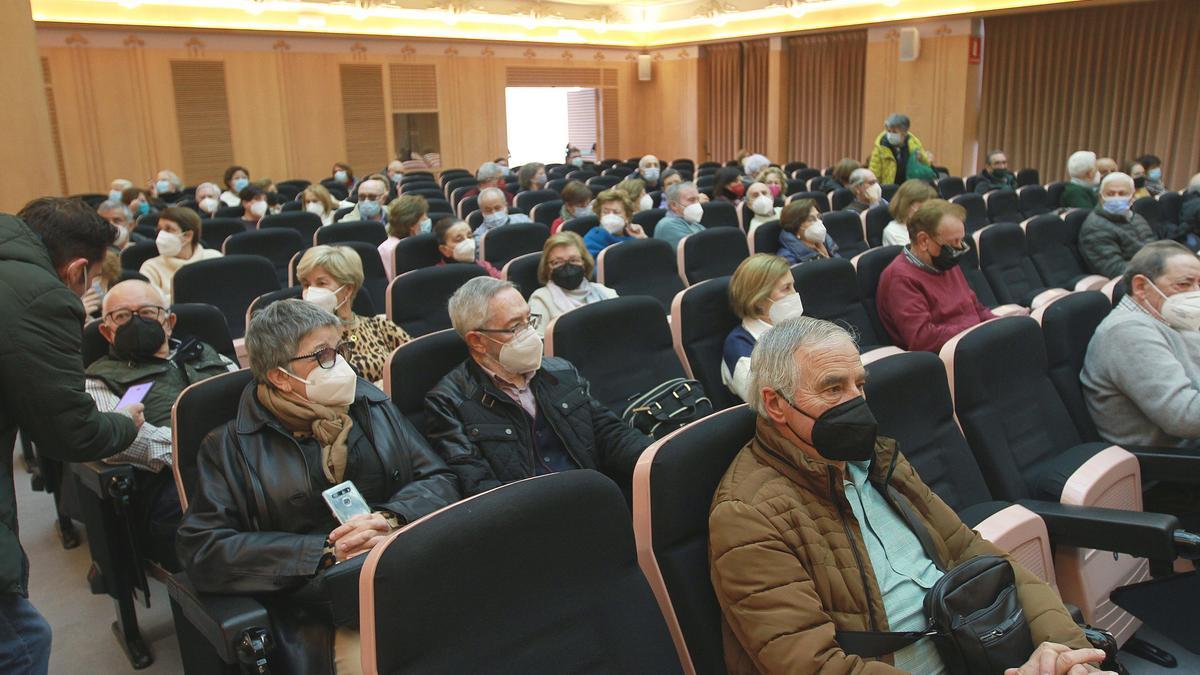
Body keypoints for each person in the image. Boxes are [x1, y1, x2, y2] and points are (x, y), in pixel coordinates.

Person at [708, 316, 1102, 675]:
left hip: (977, 649)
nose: (855, 402)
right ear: (776, 403)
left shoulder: (876, 457)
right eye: (833, 388)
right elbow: (813, 667)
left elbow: (971, 550)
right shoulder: (747, 513)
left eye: (859, 385)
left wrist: (1064, 650)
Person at [176, 299, 458, 675]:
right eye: (323, 356)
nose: (341, 364)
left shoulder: (370, 403)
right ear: (279, 376)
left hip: (402, 566)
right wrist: (324, 551)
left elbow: (439, 479)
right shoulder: (229, 446)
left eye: (340, 350)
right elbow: (204, 549)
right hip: (317, 603)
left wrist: (389, 517)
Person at [0, 198, 143, 674]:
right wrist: (128, 422)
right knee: (21, 643)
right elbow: (72, 435)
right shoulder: (41, 296)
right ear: (78, 269)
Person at [424, 277, 650, 497]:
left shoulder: (560, 370)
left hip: (593, 495)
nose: (530, 333)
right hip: (528, 517)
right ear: (478, 341)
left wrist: (655, 461)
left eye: (529, 320)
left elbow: (610, 434)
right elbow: (479, 487)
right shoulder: (448, 401)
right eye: (515, 327)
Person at [85, 280, 237, 563]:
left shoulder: (205, 352)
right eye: (122, 316)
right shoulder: (98, 379)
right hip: (174, 481)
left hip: (245, 457)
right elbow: (120, 441)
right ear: (106, 331)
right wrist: (203, 453)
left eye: (147, 313)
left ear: (168, 322)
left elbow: (247, 398)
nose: (136, 322)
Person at [1083, 241, 1200, 449]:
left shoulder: (1171, 316)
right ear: (1141, 287)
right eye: (1184, 284)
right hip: (1177, 462)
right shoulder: (1126, 331)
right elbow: (1184, 417)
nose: (1195, 293)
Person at [877, 199, 1006, 353]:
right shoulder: (900, 278)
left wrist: (1001, 324)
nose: (959, 248)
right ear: (924, 240)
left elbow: (975, 308)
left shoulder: (945, 262)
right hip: (946, 357)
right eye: (954, 242)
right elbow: (923, 339)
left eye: (961, 240)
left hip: (972, 343)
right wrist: (976, 328)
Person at [297, 245, 411, 384]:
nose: (311, 291)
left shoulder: (380, 325)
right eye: (306, 284)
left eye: (321, 283)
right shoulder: (303, 339)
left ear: (348, 289)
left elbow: (417, 360)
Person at [722, 254, 801, 401]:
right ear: (758, 300)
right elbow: (768, 403)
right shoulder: (739, 347)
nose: (794, 294)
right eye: (786, 288)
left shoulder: (795, 325)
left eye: (793, 286)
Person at [528, 232, 618, 336]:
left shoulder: (603, 292)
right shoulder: (540, 299)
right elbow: (536, 343)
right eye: (558, 262)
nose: (567, 267)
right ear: (548, 269)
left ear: (584, 264)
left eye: (574, 260)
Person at [1078, 172, 1157, 278]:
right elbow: (1115, 269)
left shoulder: (1136, 217)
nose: (1116, 198)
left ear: (1132, 196)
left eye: (1122, 194)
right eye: (1110, 194)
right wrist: (1157, 271)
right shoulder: (1095, 227)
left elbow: (1154, 249)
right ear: (1101, 196)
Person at [139, 206, 222, 301]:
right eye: (159, 230)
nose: (161, 235)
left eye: (168, 229)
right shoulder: (150, 267)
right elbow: (151, 303)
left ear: (188, 236)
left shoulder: (214, 258)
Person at [868, 113, 934, 185]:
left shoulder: (914, 145)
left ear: (904, 133)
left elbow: (925, 165)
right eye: (889, 131)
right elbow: (874, 174)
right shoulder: (880, 147)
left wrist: (924, 158)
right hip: (888, 190)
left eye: (894, 132)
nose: (890, 135)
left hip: (910, 188)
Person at [582, 189, 647, 257]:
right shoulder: (592, 238)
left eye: (616, 212)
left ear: (627, 217)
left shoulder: (633, 235)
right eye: (606, 212)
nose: (610, 216)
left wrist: (643, 239)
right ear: (599, 215)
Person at [378, 195, 430, 280]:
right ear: (412, 224)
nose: (428, 220)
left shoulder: (424, 243)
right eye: (424, 218)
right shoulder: (389, 248)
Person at [433, 217, 500, 278]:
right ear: (444, 250)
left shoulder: (484, 266)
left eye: (470, 236)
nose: (468, 241)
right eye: (459, 240)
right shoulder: (438, 274)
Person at [777, 199, 839, 264]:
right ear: (795, 227)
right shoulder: (787, 258)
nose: (819, 222)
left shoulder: (826, 243)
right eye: (811, 219)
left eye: (819, 217)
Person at [882, 179, 938, 246]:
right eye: (924, 206)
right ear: (906, 205)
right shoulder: (893, 232)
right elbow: (912, 255)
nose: (928, 211)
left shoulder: (929, 224)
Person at [654, 181, 705, 250]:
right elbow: (698, 251)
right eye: (691, 200)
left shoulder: (693, 223)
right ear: (673, 205)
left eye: (697, 199)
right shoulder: (667, 225)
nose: (697, 204)